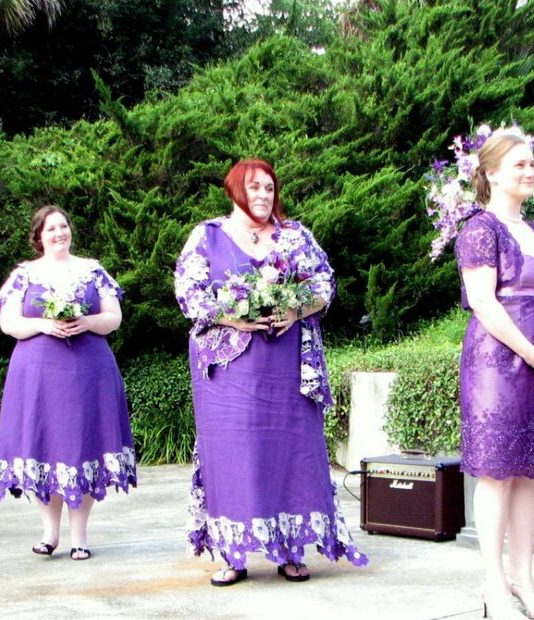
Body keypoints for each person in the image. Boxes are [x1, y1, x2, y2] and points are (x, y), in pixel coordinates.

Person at [174, 158, 367, 587]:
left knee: (291, 449)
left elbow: (325, 285)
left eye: (269, 188)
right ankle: (233, 553)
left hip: (288, 365)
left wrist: (296, 308)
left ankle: (291, 549)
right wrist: (234, 315)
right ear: (235, 191)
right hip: (228, 370)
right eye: (254, 188)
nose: (263, 196)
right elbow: (188, 293)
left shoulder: (295, 236)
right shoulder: (207, 236)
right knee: (232, 454)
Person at [455, 132, 534, 620]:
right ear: (493, 173)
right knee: (497, 473)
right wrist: (530, 352)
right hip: (496, 365)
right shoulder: (480, 229)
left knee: (527, 474)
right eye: (520, 164)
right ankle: (494, 585)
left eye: (533, 164)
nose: (530, 171)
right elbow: (483, 302)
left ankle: (524, 579)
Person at [0, 205, 137, 561]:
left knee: (83, 444)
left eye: (63, 226)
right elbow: (8, 322)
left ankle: (80, 537)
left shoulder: (92, 270)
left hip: (88, 373)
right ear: (39, 236)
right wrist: (44, 324)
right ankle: (49, 532)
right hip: (38, 375)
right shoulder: (24, 274)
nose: (59, 233)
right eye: (51, 228)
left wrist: (86, 321)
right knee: (45, 445)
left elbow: (114, 318)